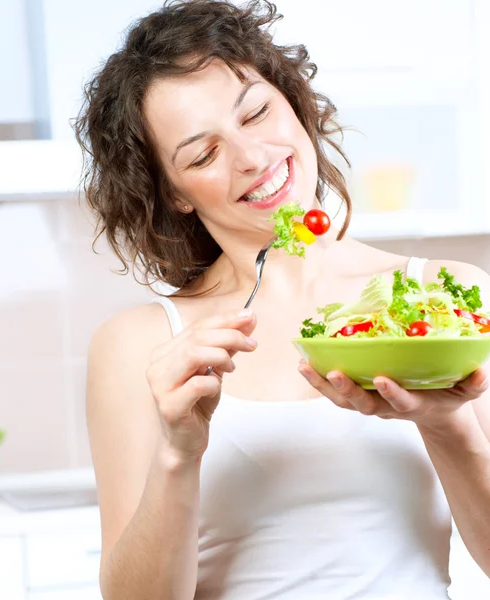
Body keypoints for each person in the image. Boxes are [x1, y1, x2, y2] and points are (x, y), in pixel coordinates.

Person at [74, 1, 490, 598]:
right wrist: (178, 452)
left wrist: (448, 425)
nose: (252, 157)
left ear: (292, 102)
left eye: (257, 112)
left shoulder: (442, 300)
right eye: (203, 154)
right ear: (174, 194)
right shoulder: (141, 345)